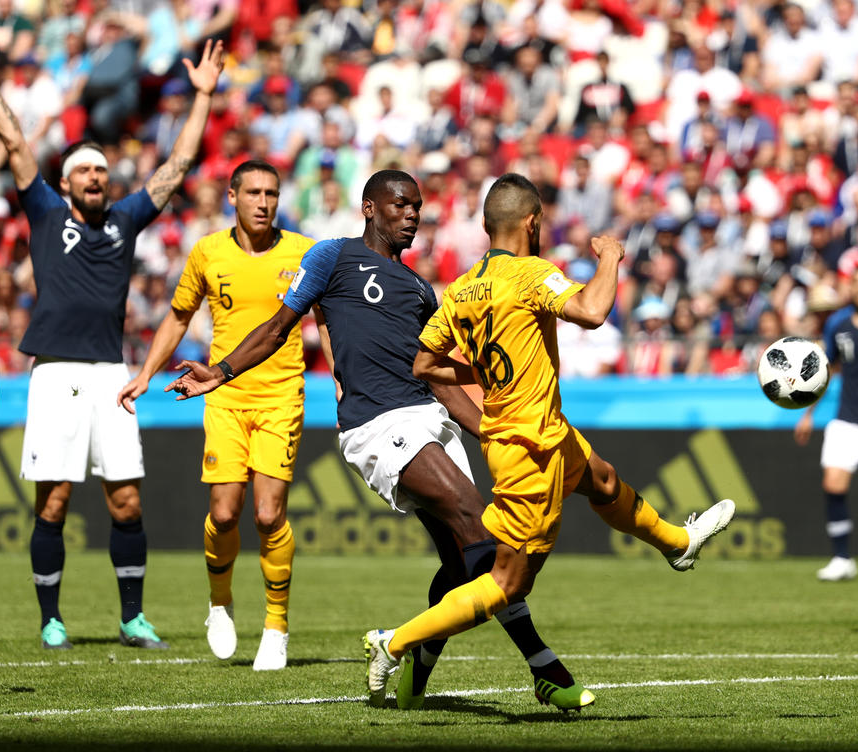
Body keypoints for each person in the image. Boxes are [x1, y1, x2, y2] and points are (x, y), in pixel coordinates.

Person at [165, 170, 593, 711]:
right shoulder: (332, 257)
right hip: (378, 425)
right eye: (400, 204)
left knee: (465, 561)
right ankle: (542, 666)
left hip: (428, 419)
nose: (412, 214)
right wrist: (221, 371)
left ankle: (417, 660)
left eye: (417, 206)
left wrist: (490, 430)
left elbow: (439, 376)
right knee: (478, 525)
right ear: (370, 208)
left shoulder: (420, 288)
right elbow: (278, 328)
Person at [362, 173, 735, 707]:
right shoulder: (534, 274)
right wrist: (609, 257)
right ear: (532, 223)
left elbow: (424, 363)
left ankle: (678, 543)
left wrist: (487, 375)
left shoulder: (462, 288)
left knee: (603, 480)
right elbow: (593, 311)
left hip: (543, 434)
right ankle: (393, 643)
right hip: (527, 448)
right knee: (508, 583)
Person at [0, 24, 224, 649]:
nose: (97, 178)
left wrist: (204, 96)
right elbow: (15, 141)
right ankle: (51, 616)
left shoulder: (126, 220)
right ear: (68, 181)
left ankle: (131, 616)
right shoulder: (47, 213)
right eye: (85, 171)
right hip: (53, 371)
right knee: (52, 503)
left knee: (126, 500)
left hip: (110, 373)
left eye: (103, 171)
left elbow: (177, 165)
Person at [118, 160, 328, 669]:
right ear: (232, 196)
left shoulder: (304, 253)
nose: (263, 202)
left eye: (271, 193)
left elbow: (327, 322)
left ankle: (276, 626)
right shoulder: (208, 251)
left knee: (267, 513)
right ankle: (220, 603)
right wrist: (146, 372)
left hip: (282, 396)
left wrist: (343, 384)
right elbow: (178, 315)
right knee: (225, 514)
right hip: (225, 396)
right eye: (253, 192)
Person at [795, 267, 858, 584]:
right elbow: (825, 370)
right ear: (850, 289)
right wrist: (808, 413)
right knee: (833, 485)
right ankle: (842, 559)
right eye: (857, 284)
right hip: (846, 418)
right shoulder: (838, 324)